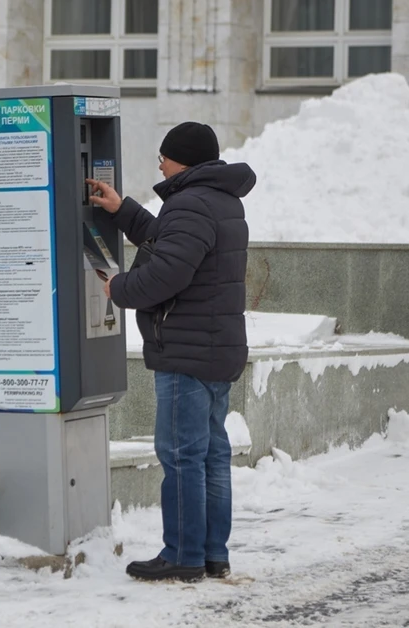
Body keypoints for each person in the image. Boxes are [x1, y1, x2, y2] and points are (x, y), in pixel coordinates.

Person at [86, 122, 255, 582]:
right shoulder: (217, 200)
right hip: (215, 349)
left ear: (183, 159)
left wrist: (117, 287)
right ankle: (211, 555)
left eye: (163, 155)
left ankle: (182, 555)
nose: (158, 163)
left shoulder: (190, 203)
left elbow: (167, 274)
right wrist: (123, 210)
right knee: (211, 456)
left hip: (187, 351)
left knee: (181, 455)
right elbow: (171, 241)